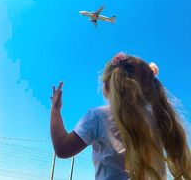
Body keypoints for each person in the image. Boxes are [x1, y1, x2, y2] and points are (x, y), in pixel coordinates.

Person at [50, 52, 191, 180]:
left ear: (107, 85)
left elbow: (62, 149)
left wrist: (55, 110)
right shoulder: (159, 119)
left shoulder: (97, 116)